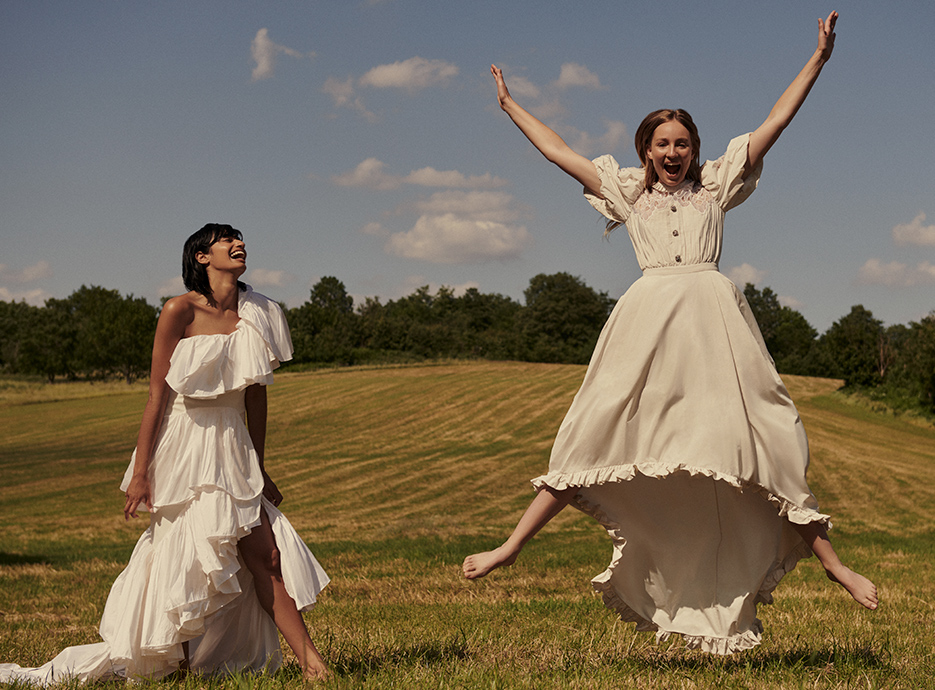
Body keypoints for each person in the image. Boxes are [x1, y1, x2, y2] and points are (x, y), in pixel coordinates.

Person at [463, 12, 878, 654]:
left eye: (683, 143)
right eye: (663, 144)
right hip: (647, 325)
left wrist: (817, 60)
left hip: (716, 326)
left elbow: (775, 123)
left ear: (695, 149)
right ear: (645, 151)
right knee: (594, 426)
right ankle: (511, 546)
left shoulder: (717, 185)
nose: (674, 153)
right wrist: (511, 105)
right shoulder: (628, 194)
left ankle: (833, 563)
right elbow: (559, 152)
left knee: (764, 437)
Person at [0, 224, 330, 683]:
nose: (239, 245)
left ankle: (314, 664)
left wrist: (259, 464)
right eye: (225, 240)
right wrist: (141, 473)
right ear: (201, 256)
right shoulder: (178, 310)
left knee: (267, 557)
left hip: (233, 446)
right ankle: (182, 660)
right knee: (190, 560)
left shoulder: (260, 313)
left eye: (241, 239)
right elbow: (156, 395)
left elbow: (256, 398)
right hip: (185, 446)